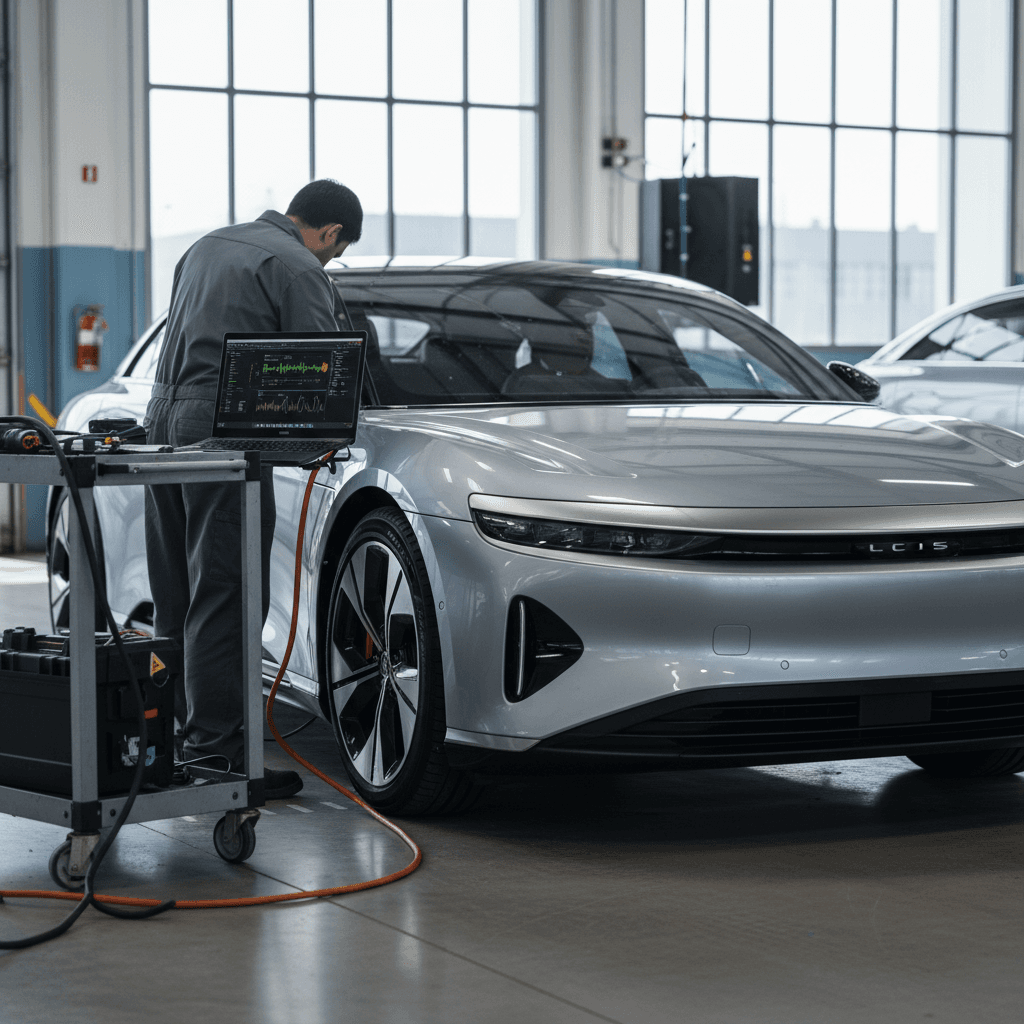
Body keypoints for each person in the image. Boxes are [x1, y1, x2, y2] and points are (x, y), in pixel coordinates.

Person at [144, 179, 362, 799]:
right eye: (335, 253)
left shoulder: (206, 246)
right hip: (224, 432)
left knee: (177, 593)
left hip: (163, 425)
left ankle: (172, 748)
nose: (328, 260)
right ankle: (218, 758)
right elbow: (325, 369)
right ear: (330, 233)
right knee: (229, 594)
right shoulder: (297, 267)